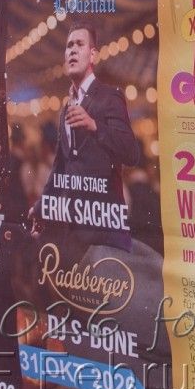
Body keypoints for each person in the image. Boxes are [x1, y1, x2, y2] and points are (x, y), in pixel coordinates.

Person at [38, 25, 141, 251]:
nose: (73, 50)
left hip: (106, 230)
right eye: (69, 46)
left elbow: (131, 153)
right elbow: (60, 166)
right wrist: (40, 208)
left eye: (79, 44)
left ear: (93, 55)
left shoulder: (110, 96)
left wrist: (94, 125)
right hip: (74, 229)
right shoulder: (66, 108)